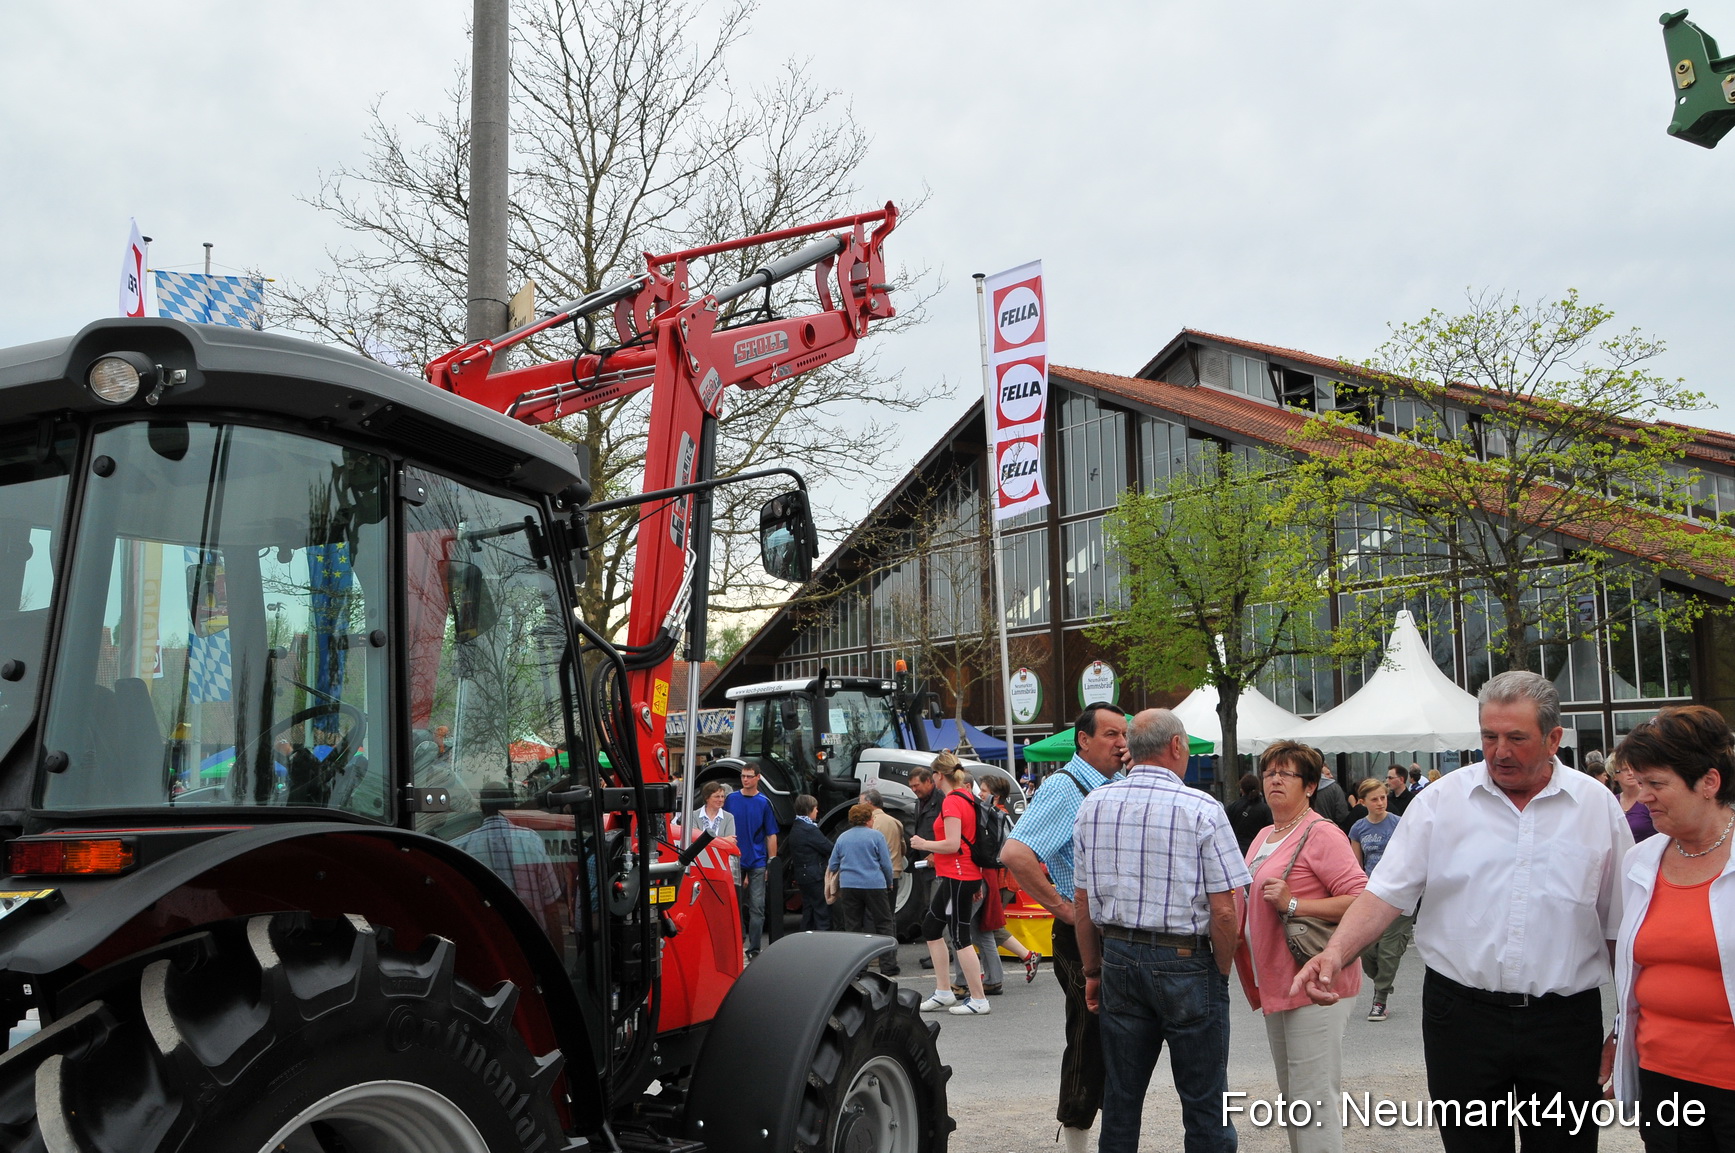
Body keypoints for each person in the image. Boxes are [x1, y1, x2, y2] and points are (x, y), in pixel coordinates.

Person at [1293, 670, 1633, 1153]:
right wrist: (1335, 952)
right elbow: (1384, 894)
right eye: (1489, 736)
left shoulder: (1597, 807)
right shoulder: (1440, 802)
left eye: (1516, 738)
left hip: (1563, 1024)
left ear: (1554, 738)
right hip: (1461, 1020)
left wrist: (1626, 1024)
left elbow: (1621, 928)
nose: (1499, 751)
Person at [1074, 708, 1248, 1153]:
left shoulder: (1094, 804)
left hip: (1118, 956)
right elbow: (1224, 911)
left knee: (1121, 1098)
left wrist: (1092, 970)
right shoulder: (1202, 808)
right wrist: (1220, 972)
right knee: (1206, 1101)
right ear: (1175, 746)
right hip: (1186, 958)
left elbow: (1083, 900)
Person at [1000, 703, 1129, 1153]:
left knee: (1121, 1037)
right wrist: (1063, 908)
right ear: (1083, 740)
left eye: (1124, 735)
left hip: (1118, 932)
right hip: (1082, 935)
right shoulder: (1064, 785)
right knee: (1090, 1036)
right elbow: (1015, 854)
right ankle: (1076, 1138)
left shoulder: (1119, 783)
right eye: (1111, 734)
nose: (1121, 743)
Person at [1610, 705, 1735, 1146]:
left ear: (1709, 782)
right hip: (1662, 1081)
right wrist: (1619, 1036)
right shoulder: (1640, 861)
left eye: (1657, 784)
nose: (1643, 796)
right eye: (1639, 782)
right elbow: (1636, 971)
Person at [1237, 741, 1366, 1153]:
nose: (1275, 779)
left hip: (1316, 981)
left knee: (1313, 1099)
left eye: (1286, 773)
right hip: (1278, 979)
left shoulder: (1321, 832)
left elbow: (1361, 898)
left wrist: (1295, 904)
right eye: (1270, 772)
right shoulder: (1265, 834)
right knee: (1295, 1097)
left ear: (1310, 786)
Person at [909, 752, 992, 1015]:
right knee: (932, 928)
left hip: (958, 875)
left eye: (932, 774)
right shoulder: (966, 796)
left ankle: (978, 999)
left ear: (938, 776)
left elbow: (953, 844)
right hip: (962, 874)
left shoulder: (952, 801)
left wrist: (923, 843)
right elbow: (971, 841)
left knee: (959, 937)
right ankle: (944, 992)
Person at [952, 773, 1040, 996]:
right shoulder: (998, 815)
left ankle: (1025, 957)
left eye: (983, 790)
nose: (979, 794)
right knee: (986, 927)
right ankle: (997, 975)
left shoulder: (994, 816)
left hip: (998, 877)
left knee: (987, 926)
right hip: (997, 877)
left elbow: (996, 852)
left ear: (996, 795)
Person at [452, 784, 565, 957]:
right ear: (511, 807)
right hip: (533, 953)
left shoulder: (461, 847)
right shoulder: (531, 841)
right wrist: (558, 961)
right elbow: (552, 911)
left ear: (482, 808)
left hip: (487, 955)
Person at [1348, 777, 1412, 1023]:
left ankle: (1380, 999)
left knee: (1388, 951)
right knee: (1367, 952)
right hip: (1371, 894)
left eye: (1383, 797)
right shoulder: (1358, 828)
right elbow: (1356, 864)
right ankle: (1381, 980)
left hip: (1397, 893)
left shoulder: (1398, 824)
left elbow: (1409, 856)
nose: (1380, 803)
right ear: (1363, 802)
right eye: (1374, 799)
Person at [723, 765, 779, 960]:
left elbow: (771, 835)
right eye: (743, 776)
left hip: (756, 861)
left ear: (758, 778)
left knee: (757, 907)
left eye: (749, 776)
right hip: (734, 859)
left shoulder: (764, 803)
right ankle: (738, 942)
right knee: (734, 905)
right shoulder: (731, 799)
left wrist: (771, 863)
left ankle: (754, 949)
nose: (745, 780)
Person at [829, 802, 896, 949]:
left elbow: (833, 864)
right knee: (884, 923)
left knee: (852, 925)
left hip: (849, 886)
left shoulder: (842, 838)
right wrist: (889, 882)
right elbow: (886, 864)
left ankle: (857, 961)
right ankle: (888, 960)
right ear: (868, 819)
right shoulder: (877, 836)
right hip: (874, 884)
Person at [863, 789, 905, 974]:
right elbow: (903, 847)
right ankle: (891, 955)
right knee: (889, 917)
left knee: (872, 916)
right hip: (894, 873)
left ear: (869, 804)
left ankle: (874, 957)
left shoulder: (870, 824)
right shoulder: (896, 822)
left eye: (860, 803)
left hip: (876, 876)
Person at [784, 794, 833, 932]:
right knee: (822, 911)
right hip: (814, 875)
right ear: (809, 809)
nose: (817, 811)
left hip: (803, 875)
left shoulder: (796, 826)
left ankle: (806, 937)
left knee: (809, 910)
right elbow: (828, 847)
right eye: (815, 808)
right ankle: (823, 938)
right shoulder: (809, 829)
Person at [1612, 748, 1658, 844]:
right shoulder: (1612, 802)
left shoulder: (1650, 799)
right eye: (1624, 769)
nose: (1630, 773)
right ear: (1614, 776)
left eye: (1633, 768)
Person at [1226, 772, 1273, 854]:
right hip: (1257, 851)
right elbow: (1271, 831)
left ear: (1241, 789)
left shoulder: (1232, 807)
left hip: (1237, 852)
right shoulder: (1265, 809)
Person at [1310, 761, 1351, 826]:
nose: (1331, 776)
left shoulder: (1304, 789)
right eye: (1328, 774)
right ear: (1320, 775)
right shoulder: (1335, 788)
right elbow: (1342, 815)